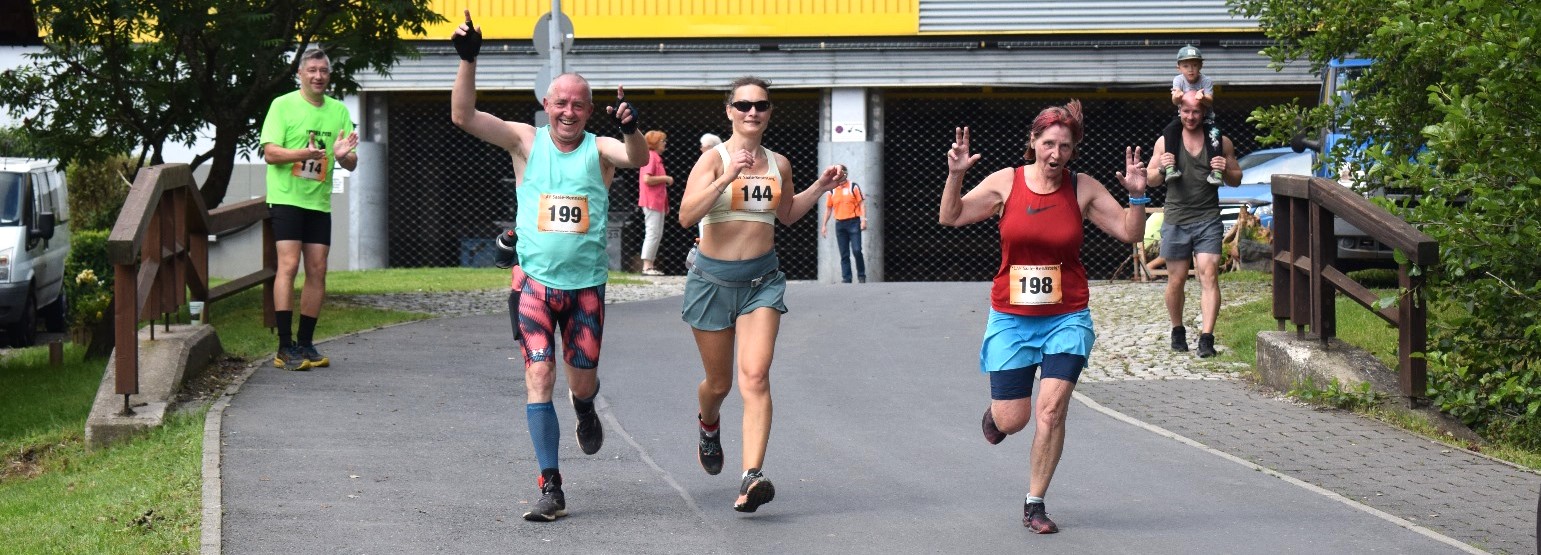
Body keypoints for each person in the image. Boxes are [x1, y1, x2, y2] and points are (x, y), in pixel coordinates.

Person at [450, 10, 648, 522]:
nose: (569, 112)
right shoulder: (526, 141)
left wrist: (631, 128)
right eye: (560, 103)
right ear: (546, 105)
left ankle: (585, 407)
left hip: (585, 291)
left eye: (578, 105)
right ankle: (551, 486)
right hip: (534, 285)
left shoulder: (601, 150)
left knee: (580, 382)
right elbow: (464, 116)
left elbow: (637, 158)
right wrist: (469, 60)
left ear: (588, 112)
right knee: (539, 375)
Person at [938, 100, 1148, 534]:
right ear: (1032, 142)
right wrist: (956, 174)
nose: (1056, 154)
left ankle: (1035, 503)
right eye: (1048, 144)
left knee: (1051, 411)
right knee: (1015, 419)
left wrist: (1137, 194)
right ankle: (997, 417)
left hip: (1066, 316)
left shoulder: (1082, 188)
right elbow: (951, 216)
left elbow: (1130, 232)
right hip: (1011, 318)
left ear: (1074, 150)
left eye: (1065, 147)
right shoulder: (1006, 182)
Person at [678, 76, 843, 513]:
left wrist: (821, 188)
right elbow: (685, 215)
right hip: (711, 284)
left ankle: (752, 476)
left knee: (755, 376)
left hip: (761, 284)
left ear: (769, 112)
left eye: (762, 105)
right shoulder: (712, 160)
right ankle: (708, 423)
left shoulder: (779, 163)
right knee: (720, 383)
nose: (753, 112)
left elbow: (786, 214)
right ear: (729, 111)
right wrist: (727, 176)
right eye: (744, 104)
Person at [260, 48, 359, 371]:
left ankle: (305, 343)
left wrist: (343, 155)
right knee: (288, 266)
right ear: (300, 74)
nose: (318, 76)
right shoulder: (282, 105)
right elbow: (271, 153)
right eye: (312, 70)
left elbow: (351, 161)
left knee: (318, 269)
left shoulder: (338, 111)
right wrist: (301, 152)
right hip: (287, 198)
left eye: (324, 71)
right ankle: (284, 346)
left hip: (318, 201)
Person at [1147, 93, 1242, 358]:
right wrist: (1163, 169)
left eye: (1196, 112)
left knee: (1209, 274)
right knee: (1176, 280)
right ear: (1179, 111)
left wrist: (1225, 169)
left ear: (1204, 113)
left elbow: (1236, 178)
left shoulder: (1219, 142)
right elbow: (1151, 179)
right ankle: (1177, 330)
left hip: (1208, 218)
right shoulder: (1166, 141)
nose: (1190, 117)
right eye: (1186, 112)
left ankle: (1206, 338)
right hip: (1176, 218)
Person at [1159, 45, 1225, 186]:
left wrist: (1202, 99)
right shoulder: (1178, 80)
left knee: (1215, 132)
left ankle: (1216, 170)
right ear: (1179, 68)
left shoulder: (1206, 81)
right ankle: (1171, 167)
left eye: (1195, 65)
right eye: (1186, 66)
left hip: (1206, 116)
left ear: (1201, 65)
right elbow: (1175, 100)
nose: (1190, 69)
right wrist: (1177, 97)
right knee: (1170, 130)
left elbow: (1209, 101)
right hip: (1183, 115)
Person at [819, 165, 868, 283]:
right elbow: (829, 208)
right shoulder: (832, 190)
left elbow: (861, 203)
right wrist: (824, 225)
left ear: (845, 174)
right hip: (840, 224)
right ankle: (847, 278)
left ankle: (861, 275)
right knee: (844, 253)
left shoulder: (853, 186)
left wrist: (863, 219)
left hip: (853, 222)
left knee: (857, 250)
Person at [638, 130, 673, 275]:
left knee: (656, 233)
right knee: (653, 232)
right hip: (651, 201)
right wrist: (665, 178)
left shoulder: (655, 157)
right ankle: (647, 266)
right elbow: (647, 179)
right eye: (662, 141)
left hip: (657, 202)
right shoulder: (651, 157)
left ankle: (650, 265)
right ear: (655, 143)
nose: (664, 144)